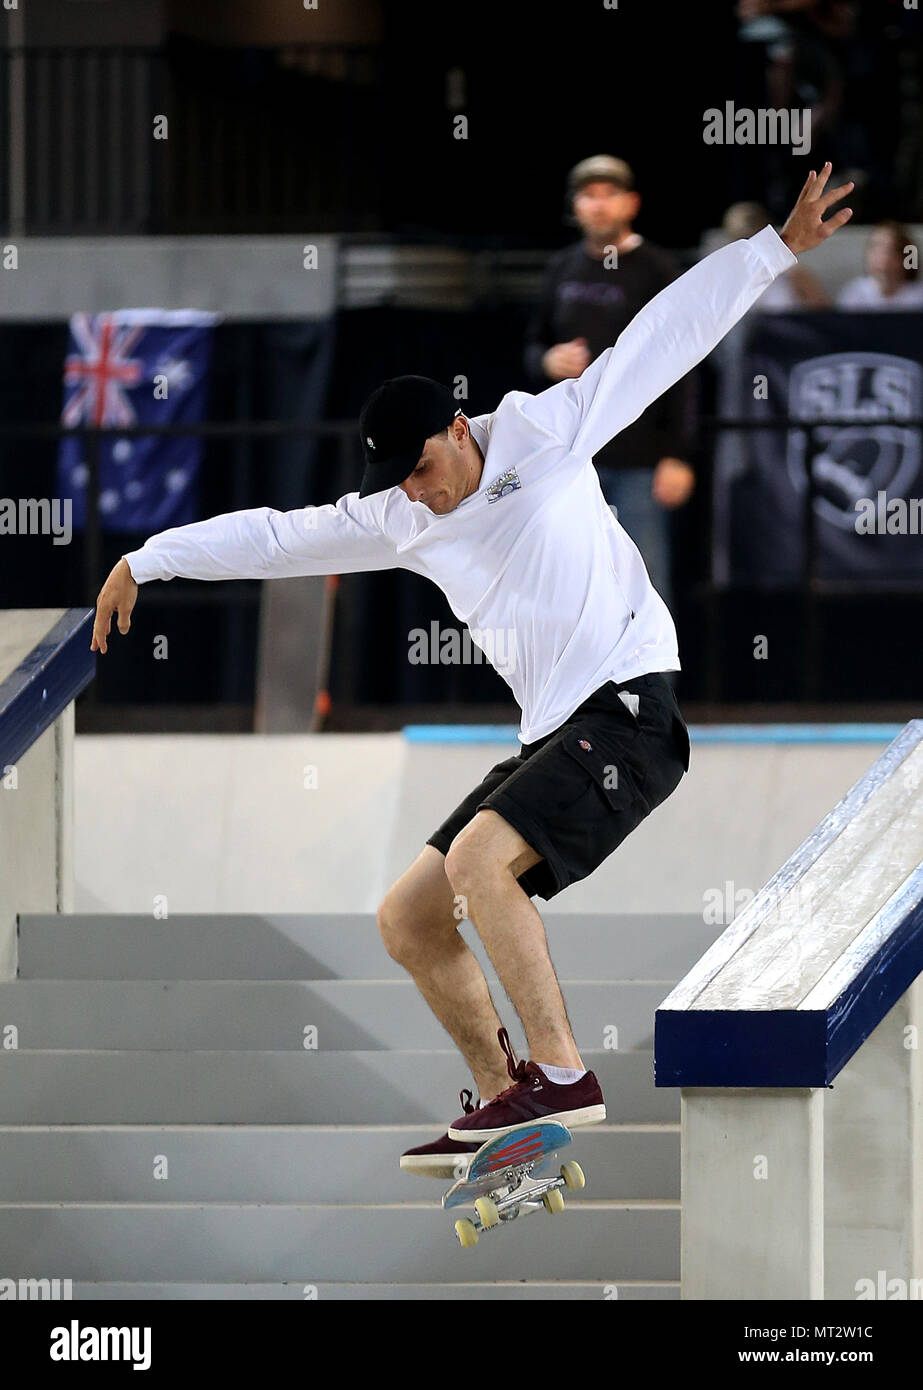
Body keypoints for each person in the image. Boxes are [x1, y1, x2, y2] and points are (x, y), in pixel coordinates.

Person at [92, 164, 854, 1177]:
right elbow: (275, 535)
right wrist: (149, 556)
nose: (419, 495)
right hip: (554, 731)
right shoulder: (396, 516)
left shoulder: (545, 431)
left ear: (456, 430)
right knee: (406, 916)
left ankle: (562, 1073)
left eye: (423, 468)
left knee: (477, 863)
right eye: (397, 483)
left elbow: (660, 342)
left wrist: (770, 249)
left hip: (629, 708)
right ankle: (506, 1102)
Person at [525, 154, 694, 615]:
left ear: (631, 203)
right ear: (575, 206)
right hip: (571, 455)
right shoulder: (561, 269)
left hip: (640, 454)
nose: (598, 206)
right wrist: (547, 358)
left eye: (609, 195)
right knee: (572, 580)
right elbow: (531, 346)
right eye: (588, 196)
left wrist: (678, 453)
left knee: (644, 579)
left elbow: (686, 364)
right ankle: (587, 687)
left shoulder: (658, 269)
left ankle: (654, 686)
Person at [721, 202, 831, 308]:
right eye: (742, 239)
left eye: (752, 236)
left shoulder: (792, 271)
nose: (749, 245)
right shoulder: (724, 275)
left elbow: (821, 310)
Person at [836, 221, 923, 309]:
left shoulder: (918, 297)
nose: (883, 257)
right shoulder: (854, 293)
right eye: (875, 248)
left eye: (891, 250)